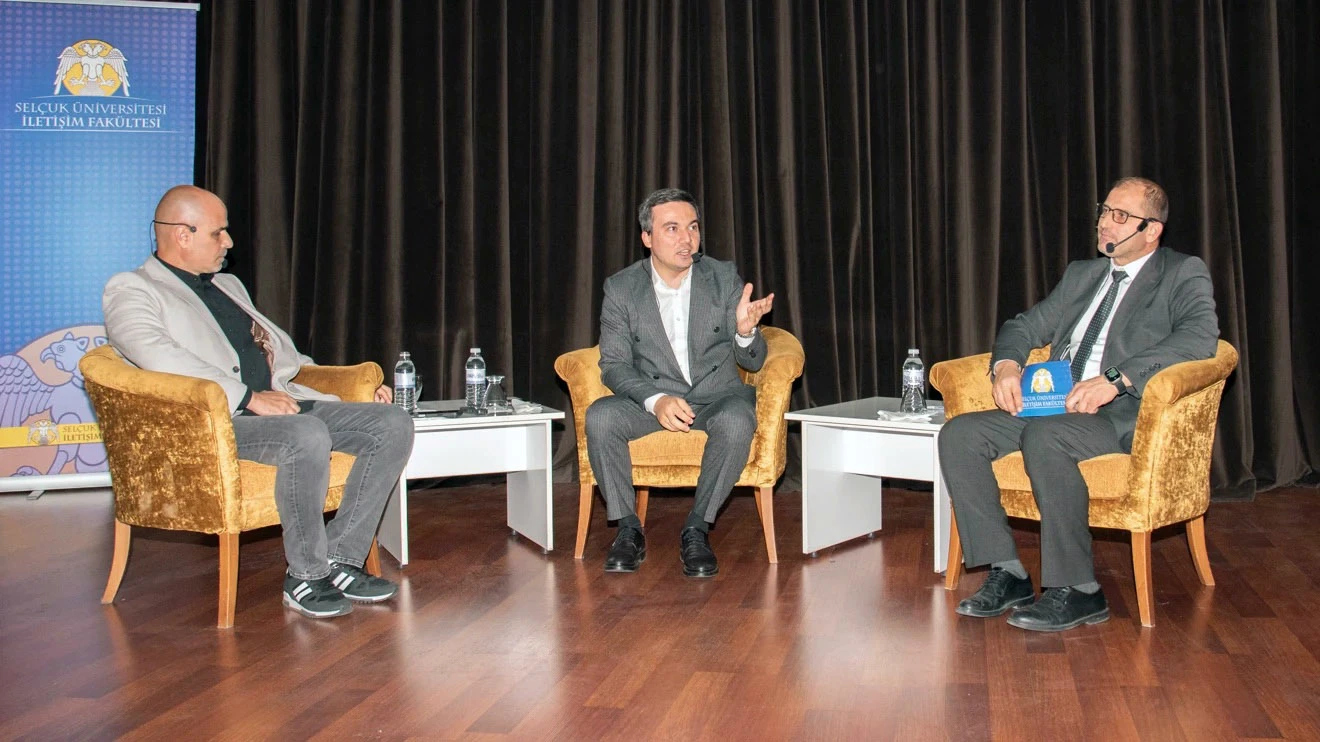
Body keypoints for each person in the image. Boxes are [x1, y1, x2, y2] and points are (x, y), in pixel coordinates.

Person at [102, 185, 415, 620]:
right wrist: (249, 398)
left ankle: (341, 560)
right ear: (182, 235)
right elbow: (156, 355)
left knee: (392, 423)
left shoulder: (227, 285)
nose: (228, 242)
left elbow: (284, 358)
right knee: (304, 433)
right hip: (210, 423)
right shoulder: (132, 289)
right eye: (219, 233)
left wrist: (353, 391)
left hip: (279, 406)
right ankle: (305, 576)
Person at [938, 176, 1218, 632]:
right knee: (960, 434)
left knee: (1045, 436)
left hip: (1119, 415)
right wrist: (1006, 367)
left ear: (1152, 230)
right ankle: (1007, 571)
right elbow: (1024, 326)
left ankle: (1080, 590)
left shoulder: (1181, 272)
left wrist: (1116, 379)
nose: (1106, 223)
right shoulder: (1082, 275)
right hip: (1053, 403)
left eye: (1121, 216)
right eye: (1105, 211)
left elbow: (1200, 337)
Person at [586, 188, 774, 577]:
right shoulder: (621, 288)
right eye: (672, 228)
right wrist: (655, 400)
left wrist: (745, 333)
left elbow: (753, 361)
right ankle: (628, 529)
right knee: (601, 416)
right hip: (653, 402)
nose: (686, 239)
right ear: (647, 237)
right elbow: (614, 365)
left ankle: (697, 528)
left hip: (715, 398)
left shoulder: (722, 277)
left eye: (692, 227)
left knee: (738, 419)